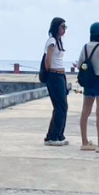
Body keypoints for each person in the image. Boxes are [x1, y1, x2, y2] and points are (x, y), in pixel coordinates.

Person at [76, 22, 99, 153]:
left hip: (88, 81)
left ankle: (84, 141)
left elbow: (79, 64)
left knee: (85, 112)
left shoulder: (85, 47)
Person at [42, 17, 70, 146]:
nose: (64, 29)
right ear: (56, 27)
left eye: (65, 27)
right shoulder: (52, 41)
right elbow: (48, 59)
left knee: (63, 106)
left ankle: (58, 134)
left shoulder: (59, 41)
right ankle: (53, 136)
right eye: (62, 27)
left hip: (60, 74)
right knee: (60, 106)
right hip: (54, 75)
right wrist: (50, 72)